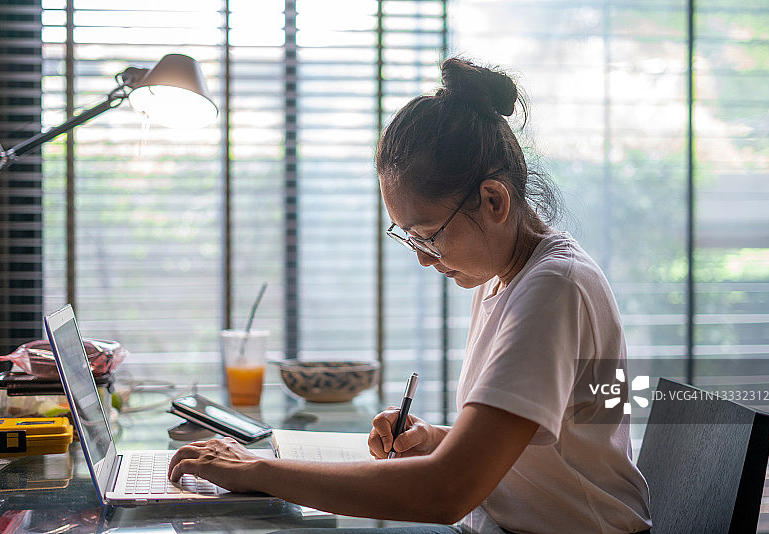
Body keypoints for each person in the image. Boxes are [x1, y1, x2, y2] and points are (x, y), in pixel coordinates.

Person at [168, 57, 653, 534]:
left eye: (428, 235)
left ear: (494, 200)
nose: (423, 257)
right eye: (409, 238)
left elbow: (446, 493)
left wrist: (253, 471)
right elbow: (544, 452)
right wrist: (438, 440)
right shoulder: (502, 280)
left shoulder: (555, 289)